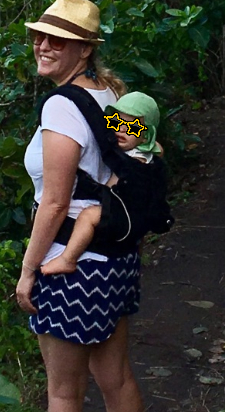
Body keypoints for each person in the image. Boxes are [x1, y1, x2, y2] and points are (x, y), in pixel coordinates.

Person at [16, 0, 146, 412]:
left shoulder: (60, 106)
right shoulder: (111, 95)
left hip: (71, 265)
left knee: (64, 393)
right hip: (115, 259)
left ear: (85, 48)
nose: (43, 45)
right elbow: (138, 152)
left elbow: (54, 200)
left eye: (58, 39)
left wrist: (29, 272)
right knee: (113, 378)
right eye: (40, 36)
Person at [38, 90, 163, 278]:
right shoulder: (148, 152)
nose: (121, 130)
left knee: (88, 216)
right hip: (136, 215)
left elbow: (114, 188)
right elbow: (158, 150)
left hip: (127, 214)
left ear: (146, 136)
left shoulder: (134, 162)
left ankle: (68, 259)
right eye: (115, 122)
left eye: (132, 127)